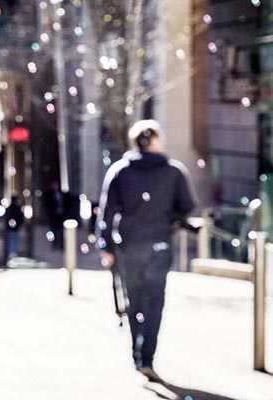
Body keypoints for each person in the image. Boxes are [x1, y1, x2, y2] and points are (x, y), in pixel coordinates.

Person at [97, 119, 196, 383]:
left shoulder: (120, 171)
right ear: (156, 140)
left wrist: (105, 245)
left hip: (129, 245)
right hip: (160, 244)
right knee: (155, 302)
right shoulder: (173, 171)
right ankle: (146, 355)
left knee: (135, 302)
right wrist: (169, 216)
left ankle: (137, 353)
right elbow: (187, 206)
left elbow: (106, 212)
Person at [43, 180, 67, 250]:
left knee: (61, 230)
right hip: (53, 215)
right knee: (54, 230)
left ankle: (62, 245)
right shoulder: (49, 194)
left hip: (61, 215)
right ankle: (55, 244)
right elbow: (47, 204)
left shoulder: (61, 194)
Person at [4, 193, 24, 259]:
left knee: (12, 239)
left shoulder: (11, 208)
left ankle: (12, 252)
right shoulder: (16, 208)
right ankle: (13, 252)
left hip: (13, 227)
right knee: (13, 239)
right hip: (14, 227)